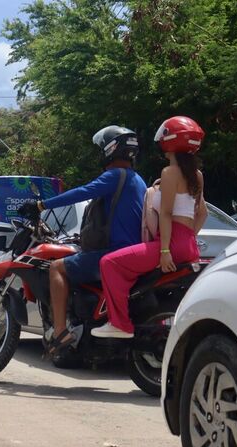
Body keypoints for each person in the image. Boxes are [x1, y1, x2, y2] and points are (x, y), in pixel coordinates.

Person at [20, 125, 147, 355]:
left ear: (110, 149)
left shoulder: (114, 175)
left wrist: (41, 205)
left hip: (114, 253)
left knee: (57, 268)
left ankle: (60, 331)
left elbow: (82, 192)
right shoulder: (138, 180)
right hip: (132, 253)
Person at [93, 116, 207, 339]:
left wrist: (165, 250)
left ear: (169, 140)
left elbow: (165, 213)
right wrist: (188, 238)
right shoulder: (196, 174)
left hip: (170, 243)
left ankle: (120, 324)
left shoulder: (169, 173)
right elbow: (202, 212)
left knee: (109, 262)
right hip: (188, 245)